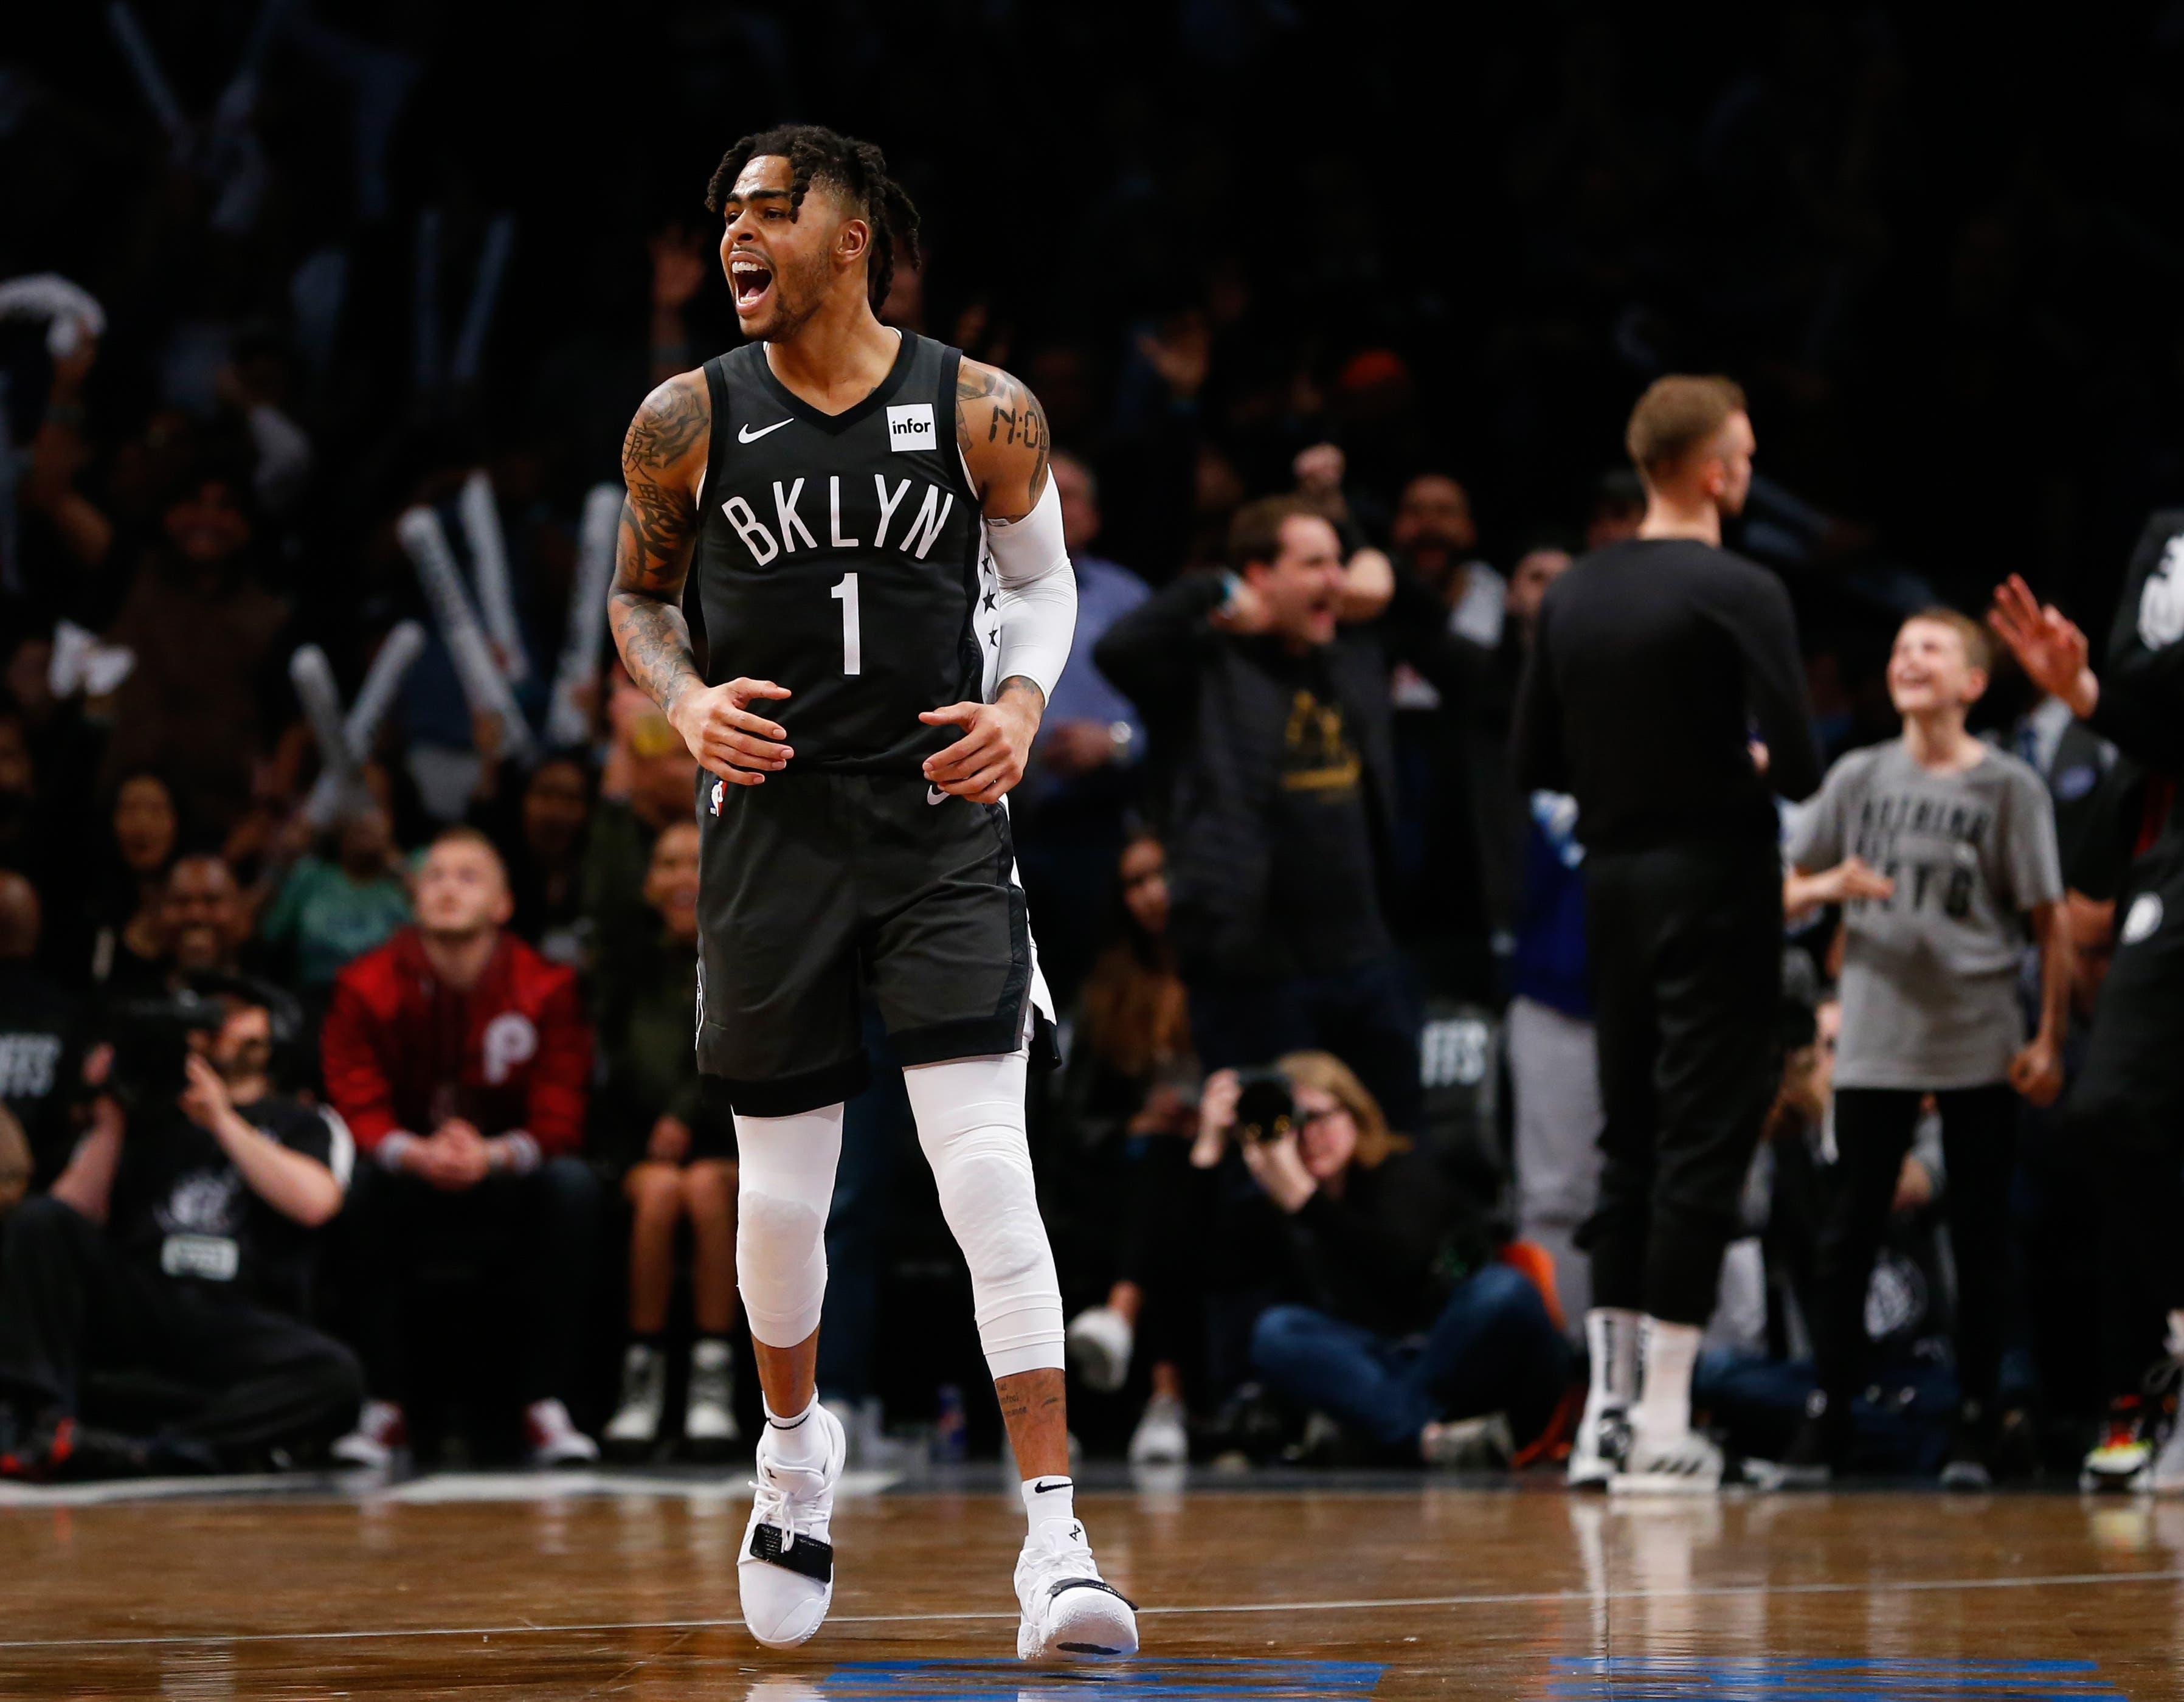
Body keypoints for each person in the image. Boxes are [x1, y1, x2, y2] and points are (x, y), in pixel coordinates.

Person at [605, 125, 1134, 1659]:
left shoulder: (987, 407)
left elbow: (1038, 584)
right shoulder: (681, 416)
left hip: (935, 819)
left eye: (771, 208)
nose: (735, 235)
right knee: (782, 1202)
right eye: (725, 215)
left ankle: (1058, 1543)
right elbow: (637, 597)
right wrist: (684, 703)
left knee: (986, 1168)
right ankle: (791, 1451)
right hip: (770, 826)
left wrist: (1026, 707)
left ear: (856, 238)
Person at [1514, 375, 1821, 1491]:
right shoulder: (1742, 586)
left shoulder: (1574, 593)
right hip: (1717, 879)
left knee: (1628, 1138)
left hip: (1612, 886)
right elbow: (1795, 763)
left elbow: (1531, 763)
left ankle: (1604, 1411)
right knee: (1703, 1140)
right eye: (1741, 450)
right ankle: (1662, 1420)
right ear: (1714, 469)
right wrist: (1723, 762)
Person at [1778, 608, 2070, 1486]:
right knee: (1850, 1232)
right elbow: (1784, 886)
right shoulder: (1859, 773)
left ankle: (1979, 1419)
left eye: (1931, 648)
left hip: (1977, 1037)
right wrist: (1830, 883)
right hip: (1873, 1039)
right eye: (1900, 646)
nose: (1909, 658)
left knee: (1982, 1238)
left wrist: (2050, 1033)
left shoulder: (2009, 786)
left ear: (1973, 682)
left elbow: (2048, 919)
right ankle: (1828, 1417)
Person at [1096, 496, 1471, 1134]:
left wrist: (1373, 554)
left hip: (1366, 957)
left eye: (1338, 563)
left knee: (1395, 1145)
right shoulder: (1204, 661)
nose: (1336, 578)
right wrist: (1216, 589)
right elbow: (1119, 650)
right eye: (1316, 564)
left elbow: (1429, 620)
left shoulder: (1350, 646)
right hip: (1250, 971)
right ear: (1260, 574)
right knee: (1265, 1168)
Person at [1989, 558, 2184, 1492]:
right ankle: (2155, 1378)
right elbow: (2080, 912)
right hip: (2152, 962)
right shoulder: (2136, 773)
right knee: (2113, 1124)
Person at [319, 828, 600, 1468]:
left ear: (503, 905)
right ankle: (383, 1405)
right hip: (407, 1176)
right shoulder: (363, 986)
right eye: (435, 875)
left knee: (575, 1188)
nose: (446, 887)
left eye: (467, 876)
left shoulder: (546, 986)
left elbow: (561, 1112)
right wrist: (416, 1153)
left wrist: (492, 1155)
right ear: (414, 895)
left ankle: (544, 1405)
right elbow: (355, 1103)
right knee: (355, 1190)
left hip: (505, 1176)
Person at [0, 987, 361, 1478]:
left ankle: (153, 1451)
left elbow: (314, 1203)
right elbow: (65, 1218)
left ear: (270, 1030)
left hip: (237, 1317)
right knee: (38, 1220)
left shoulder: (304, 1121)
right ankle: (37, 1424)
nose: (217, 1024)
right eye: (205, 1015)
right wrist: (113, 1115)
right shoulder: (149, 1119)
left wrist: (220, 1118)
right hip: (146, 1302)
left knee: (334, 1377)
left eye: (233, 1013)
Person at [1206, 1052, 1569, 1468]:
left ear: (1355, 1114)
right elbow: (1213, 1275)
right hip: (1369, 1363)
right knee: (1276, 1331)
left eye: (1320, 1117)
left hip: (1450, 1345)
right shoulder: (1277, 1201)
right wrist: (1209, 1149)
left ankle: (1382, 1430)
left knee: (1504, 1290)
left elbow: (1403, 1266)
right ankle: (1428, 1439)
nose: (1308, 1136)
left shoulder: (1402, 1171)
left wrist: (1306, 1201)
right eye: (1292, 1124)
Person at [593, 820, 742, 1459]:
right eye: (668, 864)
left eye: (697, 862)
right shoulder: (626, 966)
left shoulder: (742, 956)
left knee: (707, 1189)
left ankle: (713, 1384)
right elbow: (619, 1069)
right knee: (658, 1194)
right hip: (643, 1147)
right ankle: (642, 1382)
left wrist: (685, 1112)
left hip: (727, 1140)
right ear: (648, 882)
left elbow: (736, 1060)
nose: (683, 878)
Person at [1060, 832, 1200, 1465]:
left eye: (1160, 876)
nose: (1151, 895)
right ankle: (1163, 1400)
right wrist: (1137, 1124)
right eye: (1135, 883)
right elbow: (1080, 1114)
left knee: (1170, 1176)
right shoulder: (1109, 992)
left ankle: (1120, 1318)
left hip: (1224, 1158)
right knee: (1159, 1175)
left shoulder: (1223, 973)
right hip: (1136, 1167)